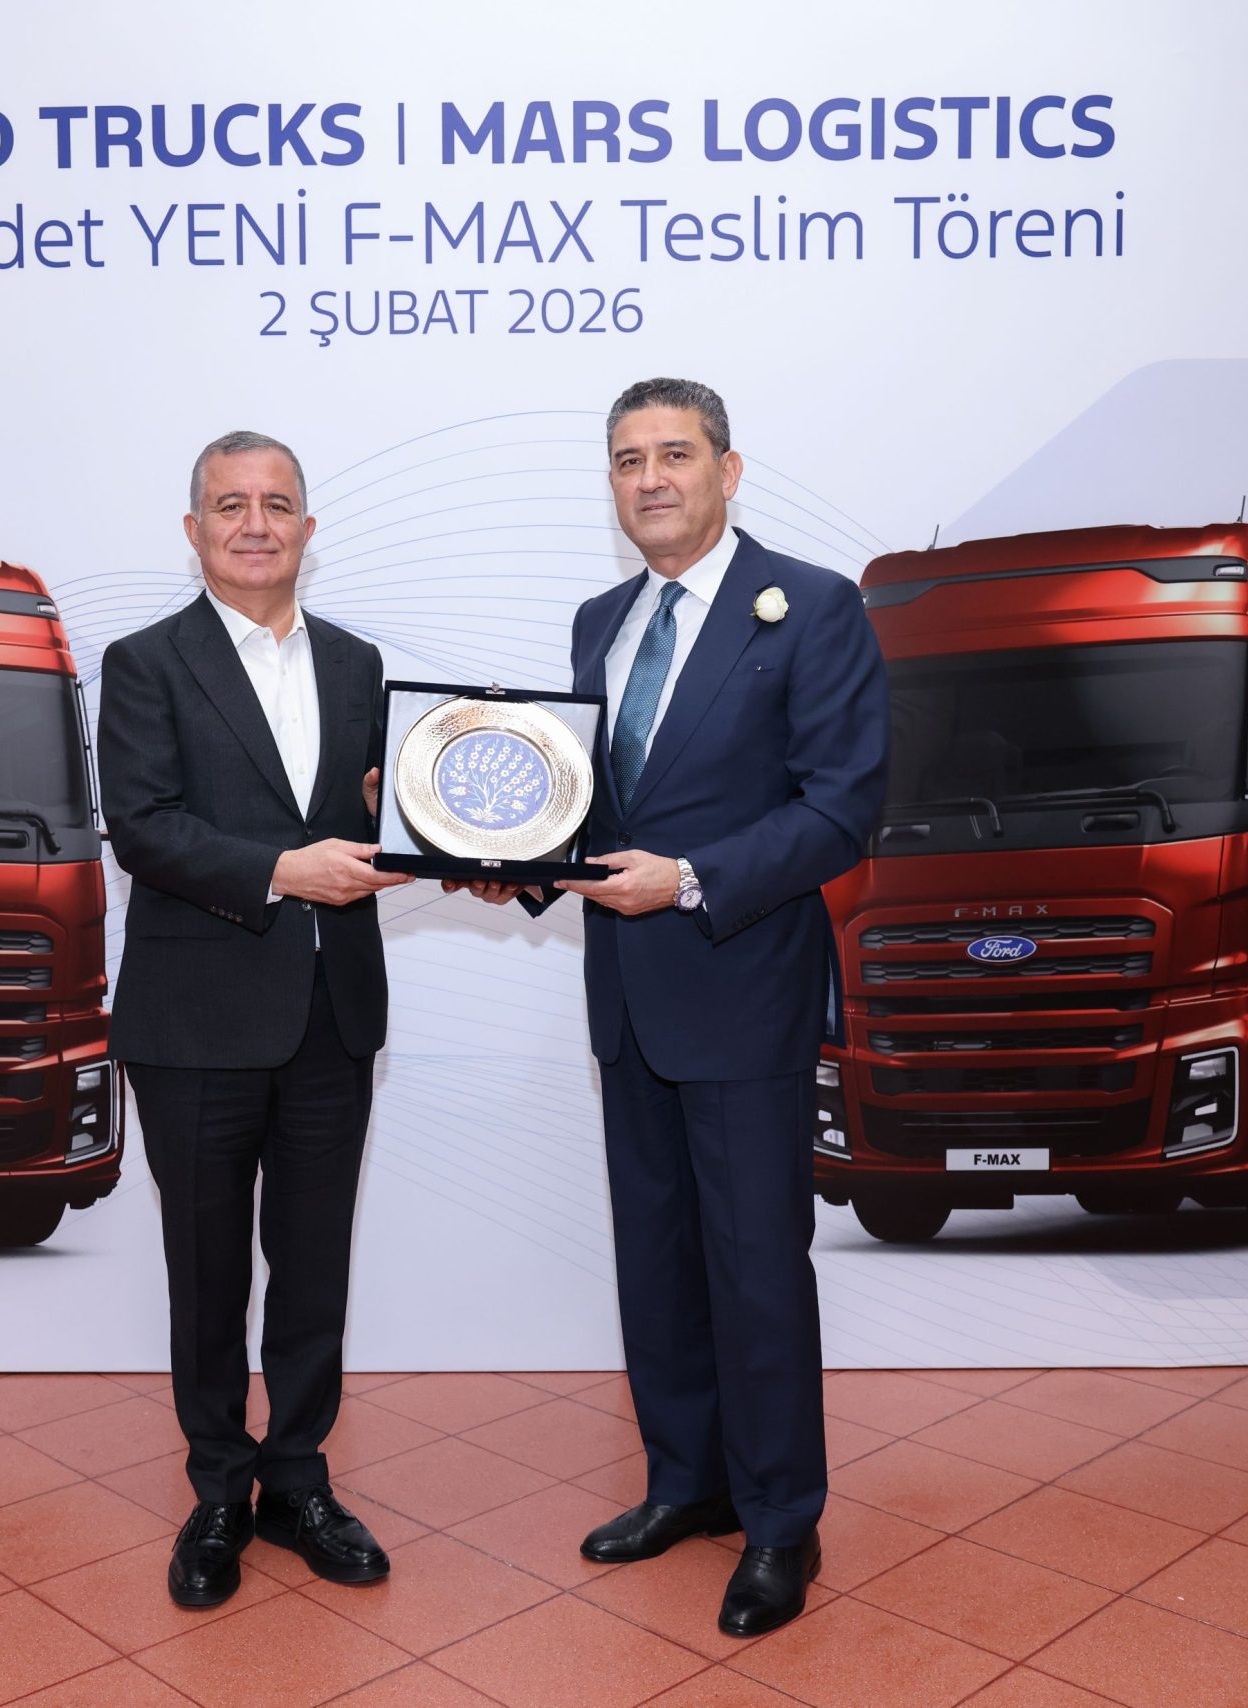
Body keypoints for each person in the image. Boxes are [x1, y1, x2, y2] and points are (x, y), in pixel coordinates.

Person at [453, 378, 887, 1636]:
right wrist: (512, 857)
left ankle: (780, 1521)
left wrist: (691, 878)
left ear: (727, 471)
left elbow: (841, 807)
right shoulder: (600, 620)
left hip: (742, 989)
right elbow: (595, 813)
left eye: (675, 454)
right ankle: (686, 1483)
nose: (650, 478)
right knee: (655, 1260)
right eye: (628, 459)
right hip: (627, 1000)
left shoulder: (812, 605)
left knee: (755, 1267)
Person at [98, 429, 409, 1609]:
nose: (255, 523)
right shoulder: (144, 662)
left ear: (307, 528)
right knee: (207, 1270)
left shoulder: (358, 664)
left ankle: (299, 1479)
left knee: (314, 1269)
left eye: (277, 503)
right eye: (230, 504)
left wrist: (428, 824)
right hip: (194, 1021)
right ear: (194, 530)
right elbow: (144, 826)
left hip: (332, 1011)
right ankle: (219, 1488)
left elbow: (381, 818)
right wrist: (282, 869)